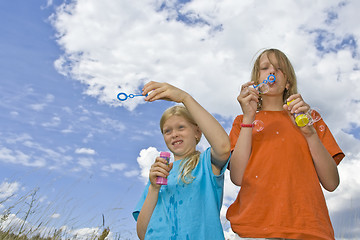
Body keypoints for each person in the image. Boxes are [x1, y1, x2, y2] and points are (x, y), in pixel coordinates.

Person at [226, 48, 345, 239]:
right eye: (265, 68)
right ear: (256, 81)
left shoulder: (310, 119)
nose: (271, 72)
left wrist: (310, 133)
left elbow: (332, 183)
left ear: (288, 82)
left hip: (308, 225)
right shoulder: (243, 122)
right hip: (258, 225)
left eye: (278, 69)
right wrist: (249, 116)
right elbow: (238, 177)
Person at [133, 81, 231, 240]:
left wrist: (185, 98)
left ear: (197, 132)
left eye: (181, 127)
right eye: (167, 131)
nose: (174, 134)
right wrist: (153, 189)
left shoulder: (206, 164)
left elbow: (223, 147)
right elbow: (143, 234)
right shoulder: (159, 177)